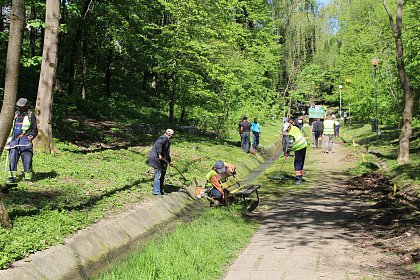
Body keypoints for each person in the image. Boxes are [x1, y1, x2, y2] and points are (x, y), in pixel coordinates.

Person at [6, 98, 38, 184]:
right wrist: (8, 139)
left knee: (27, 159)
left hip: (25, 140)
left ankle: (28, 178)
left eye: (22, 107)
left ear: (26, 106)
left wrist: (31, 136)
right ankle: (11, 177)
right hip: (15, 139)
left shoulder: (31, 115)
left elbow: (35, 129)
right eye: (19, 107)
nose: (20, 108)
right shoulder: (15, 114)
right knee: (13, 158)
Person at [146, 129, 174, 196]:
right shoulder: (163, 138)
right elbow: (158, 145)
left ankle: (161, 190)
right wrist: (159, 154)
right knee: (158, 176)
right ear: (168, 134)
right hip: (156, 160)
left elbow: (166, 153)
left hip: (162, 161)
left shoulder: (166, 140)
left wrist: (170, 161)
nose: (172, 136)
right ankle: (156, 192)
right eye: (172, 135)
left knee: (162, 175)